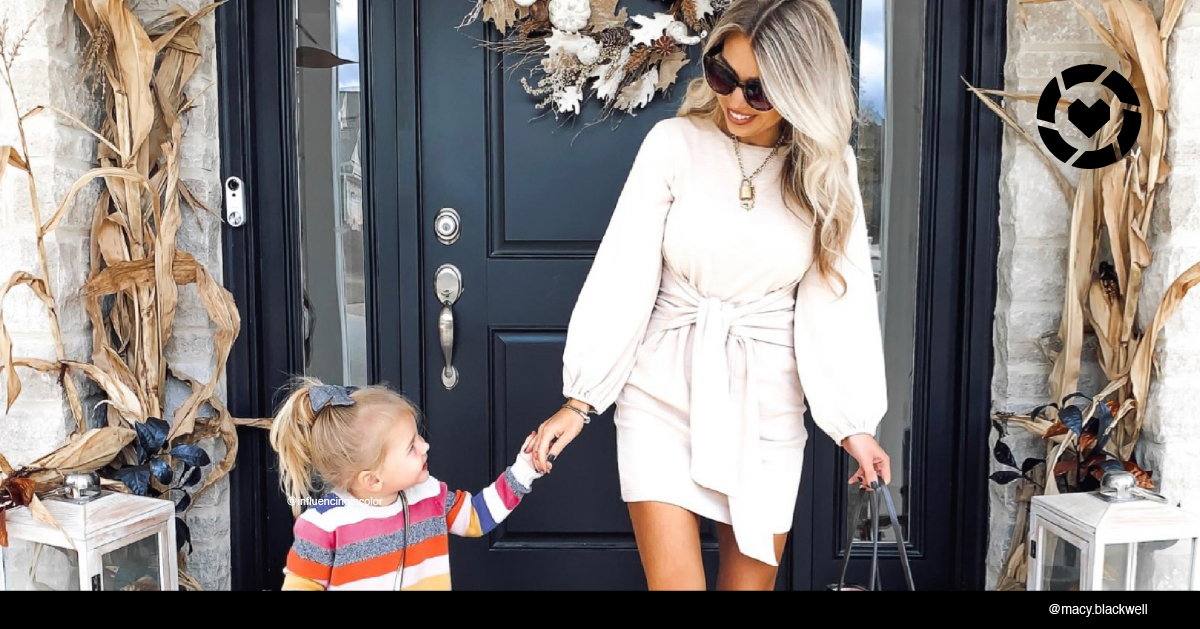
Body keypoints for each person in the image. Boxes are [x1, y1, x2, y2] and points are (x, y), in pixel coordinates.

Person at [528, 0, 891, 590]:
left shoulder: (829, 168)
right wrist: (582, 399)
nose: (736, 102)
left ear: (801, 92)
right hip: (660, 393)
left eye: (760, 91)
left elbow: (837, 300)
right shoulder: (673, 144)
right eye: (724, 75)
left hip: (767, 402)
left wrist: (854, 423)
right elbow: (622, 275)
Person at [269, 378, 542, 590]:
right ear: (372, 479)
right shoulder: (322, 525)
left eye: (418, 437)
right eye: (412, 447)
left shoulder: (429, 495)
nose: (426, 446)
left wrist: (524, 469)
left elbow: (477, 516)